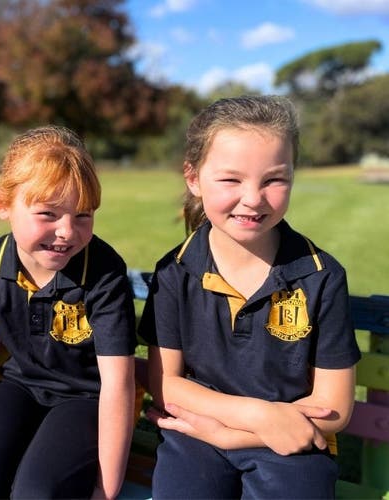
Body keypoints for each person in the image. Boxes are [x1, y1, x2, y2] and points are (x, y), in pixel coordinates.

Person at [138, 95, 362, 499]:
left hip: (294, 446)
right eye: (231, 179)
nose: (253, 198)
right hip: (198, 438)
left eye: (274, 180)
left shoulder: (321, 276)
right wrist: (256, 417)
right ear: (193, 177)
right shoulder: (175, 271)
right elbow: (164, 383)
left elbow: (335, 408)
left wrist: (233, 436)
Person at [0, 125, 137, 499]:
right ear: (3, 204)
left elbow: (118, 383)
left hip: (84, 399)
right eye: (48, 213)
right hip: (17, 388)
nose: (67, 231)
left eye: (83, 215)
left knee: (36, 490)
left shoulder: (103, 272)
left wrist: (106, 488)